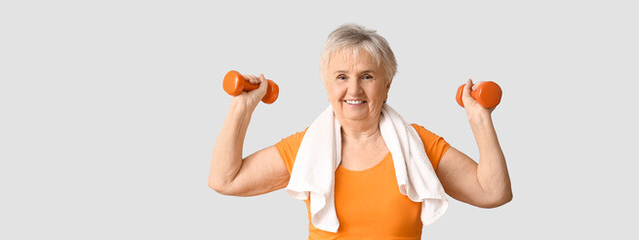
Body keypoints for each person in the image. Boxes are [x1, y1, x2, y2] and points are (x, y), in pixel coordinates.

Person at [208, 24, 512, 239]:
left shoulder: (417, 146)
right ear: (328, 88)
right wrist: (242, 107)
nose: (354, 89)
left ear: (387, 86)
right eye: (341, 77)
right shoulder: (307, 147)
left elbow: (493, 192)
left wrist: (479, 119)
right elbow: (225, 179)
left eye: (367, 76)